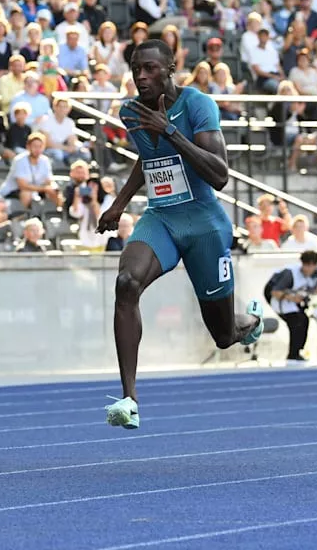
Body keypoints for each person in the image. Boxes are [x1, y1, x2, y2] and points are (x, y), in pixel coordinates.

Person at [96, 40, 263, 430]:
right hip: (162, 219)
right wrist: (120, 203)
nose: (141, 76)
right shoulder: (130, 112)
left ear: (170, 68)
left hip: (204, 222)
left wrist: (170, 130)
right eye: (136, 68)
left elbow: (219, 174)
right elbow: (149, 160)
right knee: (126, 282)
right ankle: (129, 400)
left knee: (223, 336)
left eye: (150, 68)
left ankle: (249, 322)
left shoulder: (198, 105)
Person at [264, 250, 317, 363]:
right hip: (281, 299)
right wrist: (292, 298)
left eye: (311, 266)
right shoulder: (291, 273)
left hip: (295, 300)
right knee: (296, 321)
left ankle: (298, 350)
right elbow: (275, 292)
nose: (308, 269)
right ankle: (293, 353)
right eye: (306, 265)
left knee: (304, 320)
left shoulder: (316, 274)